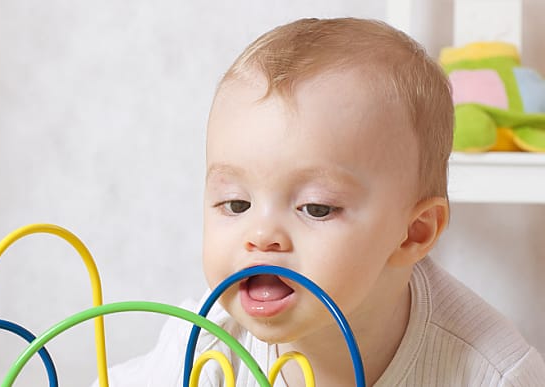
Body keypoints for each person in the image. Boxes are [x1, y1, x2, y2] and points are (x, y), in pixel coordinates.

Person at [93, 17, 545, 386]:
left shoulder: (492, 372)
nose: (261, 236)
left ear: (414, 232)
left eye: (316, 208)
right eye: (235, 204)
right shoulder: (205, 345)